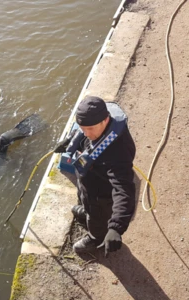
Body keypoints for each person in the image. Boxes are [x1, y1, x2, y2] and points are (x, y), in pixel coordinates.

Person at [54, 96, 136, 256]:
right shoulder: (91, 126)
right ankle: (86, 211)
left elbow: (124, 190)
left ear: (105, 120)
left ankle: (96, 237)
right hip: (87, 184)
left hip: (100, 196)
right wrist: (68, 141)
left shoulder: (118, 152)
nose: (86, 133)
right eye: (82, 128)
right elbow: (82, 132)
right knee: (85, 201)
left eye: (90, 129)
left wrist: (116, 227)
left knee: (97, 217)